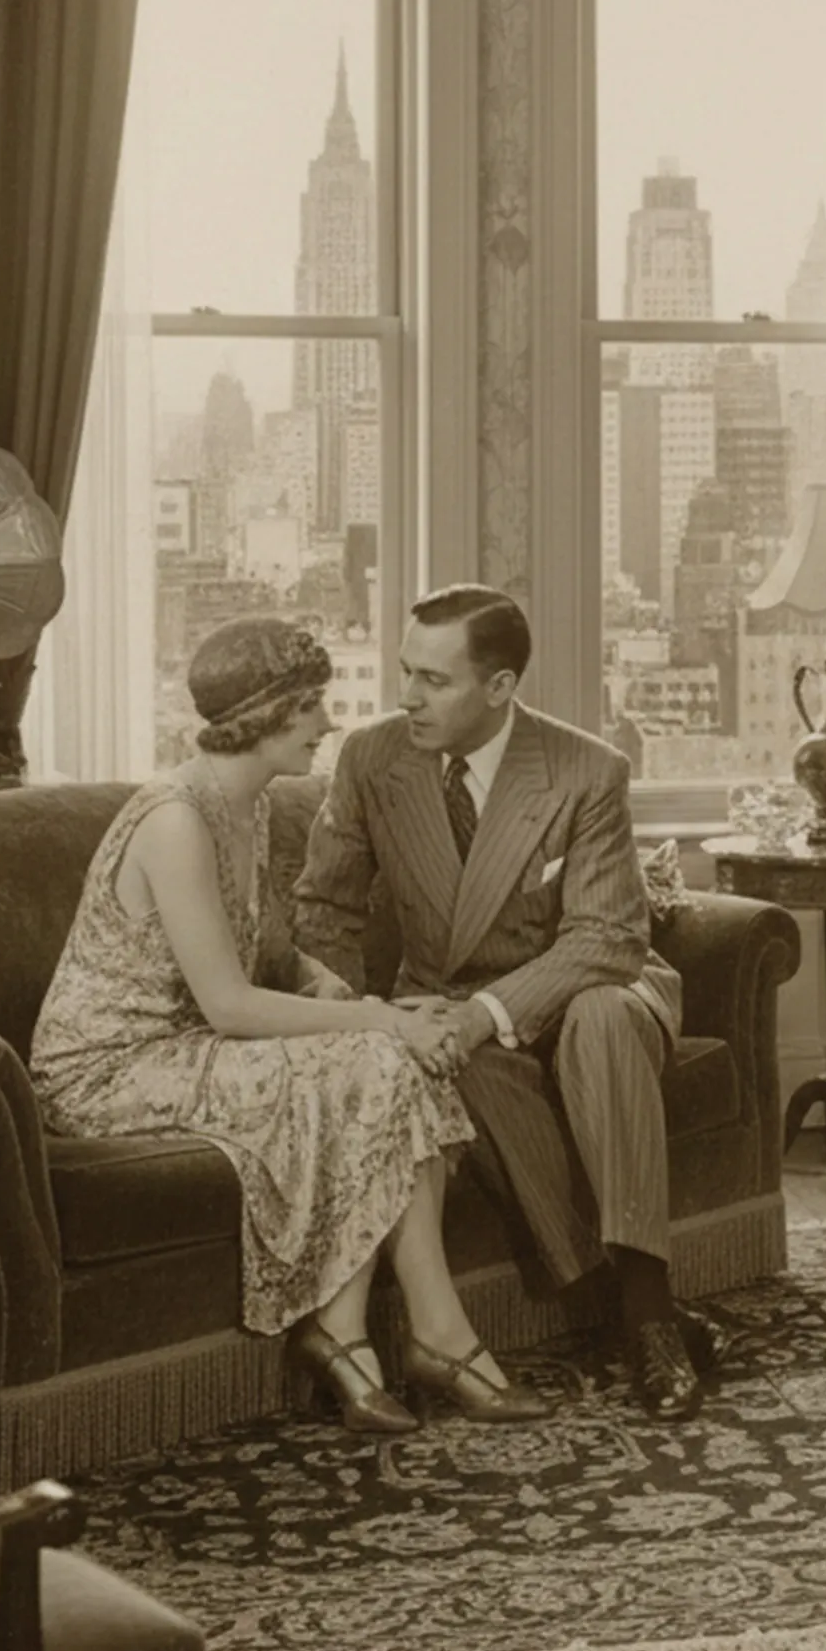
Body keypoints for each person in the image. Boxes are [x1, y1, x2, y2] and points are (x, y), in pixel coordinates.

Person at [30, 615, 549, 1434]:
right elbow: (229, 1004)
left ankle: (354, 1337)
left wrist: (350, 1001)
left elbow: (268, 954)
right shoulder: (175, 819)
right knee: (383, 1057)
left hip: (189, 1046)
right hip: (109, 1069)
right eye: (311, 704)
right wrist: (379, 1020)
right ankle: (427, 1341)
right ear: (267, 715)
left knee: (395, 1061)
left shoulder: (248, 808)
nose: (326, 722)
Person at [295, 584, 715, 1421]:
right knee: (444, 1056)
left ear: (500, 688)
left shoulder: (584, 767)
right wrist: (354, 1023)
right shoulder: (372, 760)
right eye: (405, 673)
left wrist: (484, 1013)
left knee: (595, 1021)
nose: (407, 697)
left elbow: (605, 938)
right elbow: (324, 911)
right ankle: (609, 1301)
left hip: (591, 984)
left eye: (434, 681)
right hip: (444, 1004)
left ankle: (649, 1311)